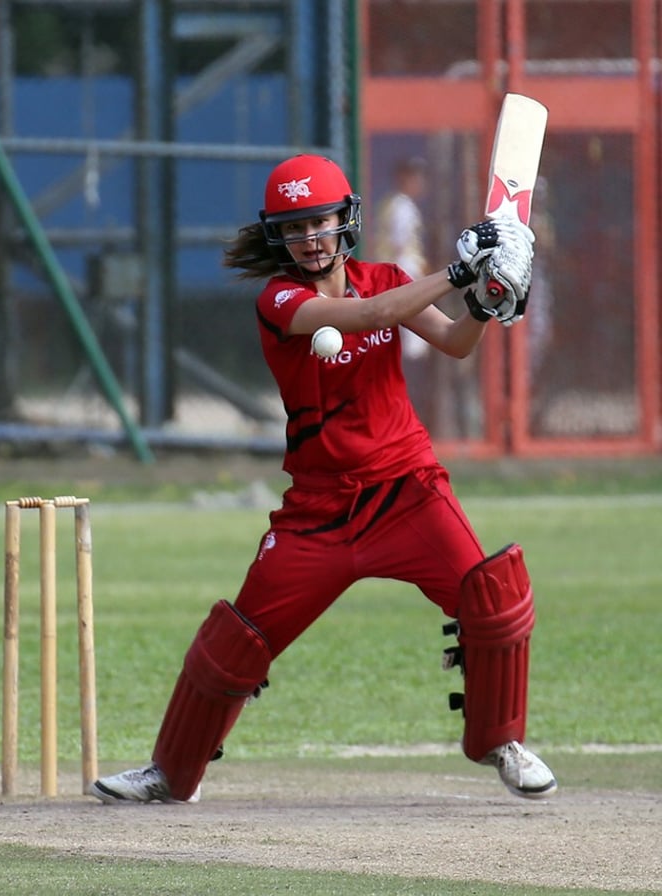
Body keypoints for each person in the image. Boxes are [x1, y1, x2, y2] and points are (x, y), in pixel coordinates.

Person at [91, 154, 556, 805]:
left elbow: (454, 342)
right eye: (296, 226)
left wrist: (487, 298)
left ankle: (502, 741)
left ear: (347, 220)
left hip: (406, 492)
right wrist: (458, 271)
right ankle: (171, 772)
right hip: (318, 513)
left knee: (490, 597)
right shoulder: (280, 299)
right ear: (278, 235)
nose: (311, 238)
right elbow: (368, 318)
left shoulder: (387, 276)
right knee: (240, 637)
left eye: (322, 221)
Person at [373, 156, 433, 418]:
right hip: (403, 288)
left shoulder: (394, 204)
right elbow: (401, 253)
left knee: (406, 349)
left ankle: (401, 414)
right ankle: (406, 415)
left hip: (394, 288)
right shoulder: (402, 207)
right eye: (413, 175)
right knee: (411, 350)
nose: (418, 181)